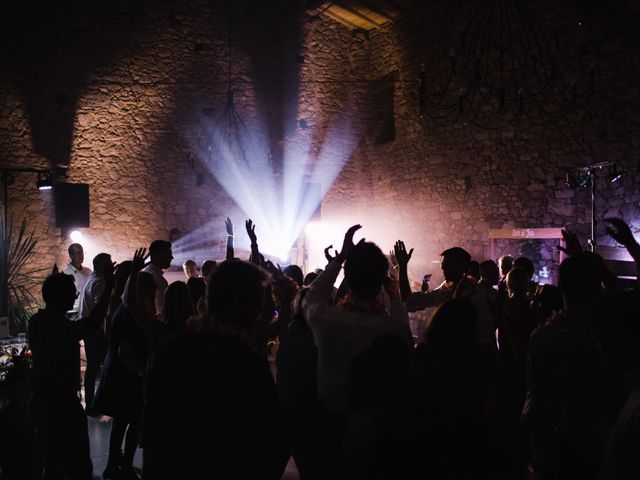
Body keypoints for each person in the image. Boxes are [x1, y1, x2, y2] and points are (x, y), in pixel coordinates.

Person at [143, 260, 288, 479]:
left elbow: (155, 430)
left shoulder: (174, 348)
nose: (259, 310)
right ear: (242, 304)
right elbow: (267, 441)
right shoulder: (244, 360)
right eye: (256, 300)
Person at [28, 267, 114, 480]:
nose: (76, 295)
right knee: (79, 466)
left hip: (44, 401)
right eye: (71, 291)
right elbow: (92, 325)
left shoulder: (37, 322)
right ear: (60, 297)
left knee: (53, 463)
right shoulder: (60, 327)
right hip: (62, 404)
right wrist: (110, 288)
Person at [78, 252, 113, 414]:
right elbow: (103, 308)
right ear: (101, 266)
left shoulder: (92, 279)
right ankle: (96, 403)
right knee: (103, 366)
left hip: (89, 329)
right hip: (96, 331)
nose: (111, 266)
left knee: (93, 367)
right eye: (109, 263)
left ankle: (93, 403)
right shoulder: (99, 282)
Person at [63, 243, 92, 310]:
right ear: (71, 256)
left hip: (88, 310)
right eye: (78, 253)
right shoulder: (66, 274)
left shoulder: (88, 271)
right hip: (73, 311)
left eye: (82, 252)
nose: (81, 255)